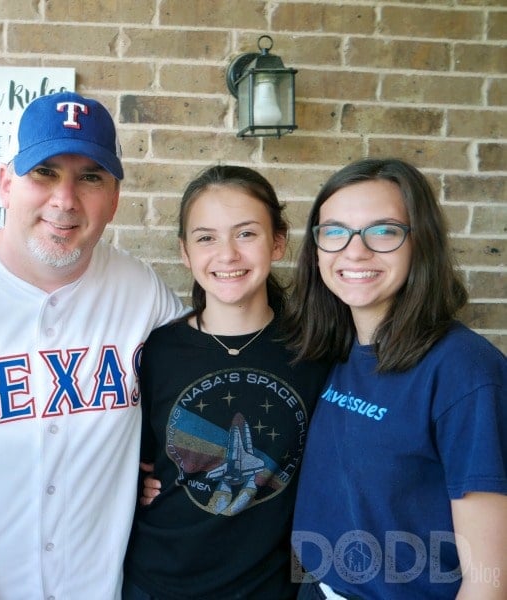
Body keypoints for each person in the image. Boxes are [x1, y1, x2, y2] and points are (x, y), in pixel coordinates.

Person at [0, 91, 184, 599]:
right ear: (6, 182)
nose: (65, 199)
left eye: (90, 178)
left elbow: (201, 375)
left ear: (115, 197)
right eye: (45, 173)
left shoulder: (141, 290)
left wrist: (165, 463)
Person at [283, 158, 507, 599]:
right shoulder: (334, 347)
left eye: (383, 230)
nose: (354, 250)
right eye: (334, 231)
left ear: (419, 242)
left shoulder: (465, 372)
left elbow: (489, 580)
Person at [122, 165, 330, 599]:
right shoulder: (155, 351)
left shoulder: (316, 351)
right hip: (158, 583)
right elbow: (126, 451)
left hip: (269, 588)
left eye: (246, 234)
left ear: (278, 241)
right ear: (185, 252)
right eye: (206, 237)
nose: (228, 254)